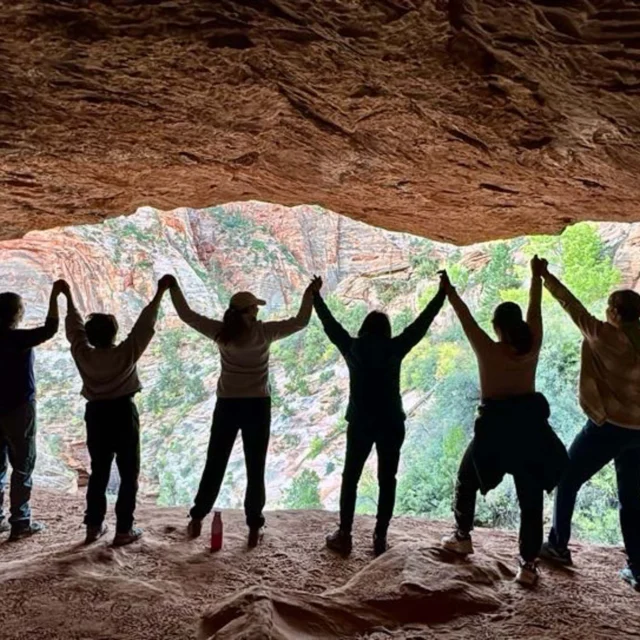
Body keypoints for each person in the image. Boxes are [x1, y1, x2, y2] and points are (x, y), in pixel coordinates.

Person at [439, 257, 567, 586]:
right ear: (520, 325)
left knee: (466, 478)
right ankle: (527, 565)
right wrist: (536, 276)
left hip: (494, 431)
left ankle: (462, 536)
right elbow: (535, 310)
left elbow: (465, 319)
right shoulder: (533, 344)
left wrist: (450, 290)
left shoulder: (488, 349)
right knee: (530, 499)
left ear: (496, 327)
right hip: (529, 429)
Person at [167, 275, 320, 547]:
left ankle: (197, 517)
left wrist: (173, 287)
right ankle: (253, 526)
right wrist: (309, 294)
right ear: (250, 312)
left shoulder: (220, 332)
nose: (258, 310)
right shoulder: (264, 333)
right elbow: (301, 321)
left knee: (215, 463)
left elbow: (187, 315)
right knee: (255, 467)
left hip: (227, 403)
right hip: (257, 405)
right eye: (255, 307)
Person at [313, 274, 447, 557]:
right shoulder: (394, 348)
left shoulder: (352, 347)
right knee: (388, 479)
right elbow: (421, 324)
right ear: (386, 331)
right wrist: (441, 294)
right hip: (391, 422)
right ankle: (379, 537)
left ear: (363, 329)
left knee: (350, 477)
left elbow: (329, 324)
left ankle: (345, 535)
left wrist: (315, 296)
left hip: (361, 423)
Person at [538, 263, 640, 591]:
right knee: (632, 499)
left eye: (609, 308)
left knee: (566, 478)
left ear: (614, 312)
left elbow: (572, 306)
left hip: (609, 427)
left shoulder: (605, 335)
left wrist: (545, 276)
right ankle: (638, 569)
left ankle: (557, 546)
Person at [61, 276, 172, 546]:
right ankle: (124, 528)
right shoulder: (126, 353)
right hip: (123, 413)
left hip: (96, 414)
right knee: (128, 472)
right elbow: (145, 325)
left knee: (99, 471)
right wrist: (159, 293)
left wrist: (67, 296)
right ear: (114, 333)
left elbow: (74, 330)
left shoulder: (83, 354)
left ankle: (94, 525)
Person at [0, 281, 65, 539]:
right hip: (19, 408)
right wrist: (55, 295)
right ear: (16, 315)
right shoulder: (19, 339)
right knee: (23, 464)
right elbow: (51, 329)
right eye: (21, 308)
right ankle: (21, 521)